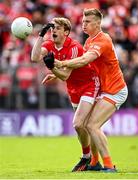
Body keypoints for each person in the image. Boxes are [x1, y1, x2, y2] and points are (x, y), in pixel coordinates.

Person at [54, 9, 128, 172]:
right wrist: (58, 73)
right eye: (83, 21)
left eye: (87, 22)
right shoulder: (88, 41)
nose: (83, 24)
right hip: (104, 89)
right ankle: (94, 162)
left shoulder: (103, 40)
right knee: (87, 125)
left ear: (98, 23)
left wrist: (61, 63)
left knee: (92, 125)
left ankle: (109, 166)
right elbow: (85, 66)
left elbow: (85, 59)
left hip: (115, 90)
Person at [31, 17, 101, 172]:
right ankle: (93, 161)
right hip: (73, 88)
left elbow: (65, 76)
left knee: (78, 123)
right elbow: (34, 58)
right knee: (81, 127)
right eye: (51, 28)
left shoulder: (74, 46)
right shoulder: (49, 44)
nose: (53, 30)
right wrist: (41, 36)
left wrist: (52, 68)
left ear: (66, 32)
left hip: (89, 84)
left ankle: (87, 157)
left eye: (57, 28)